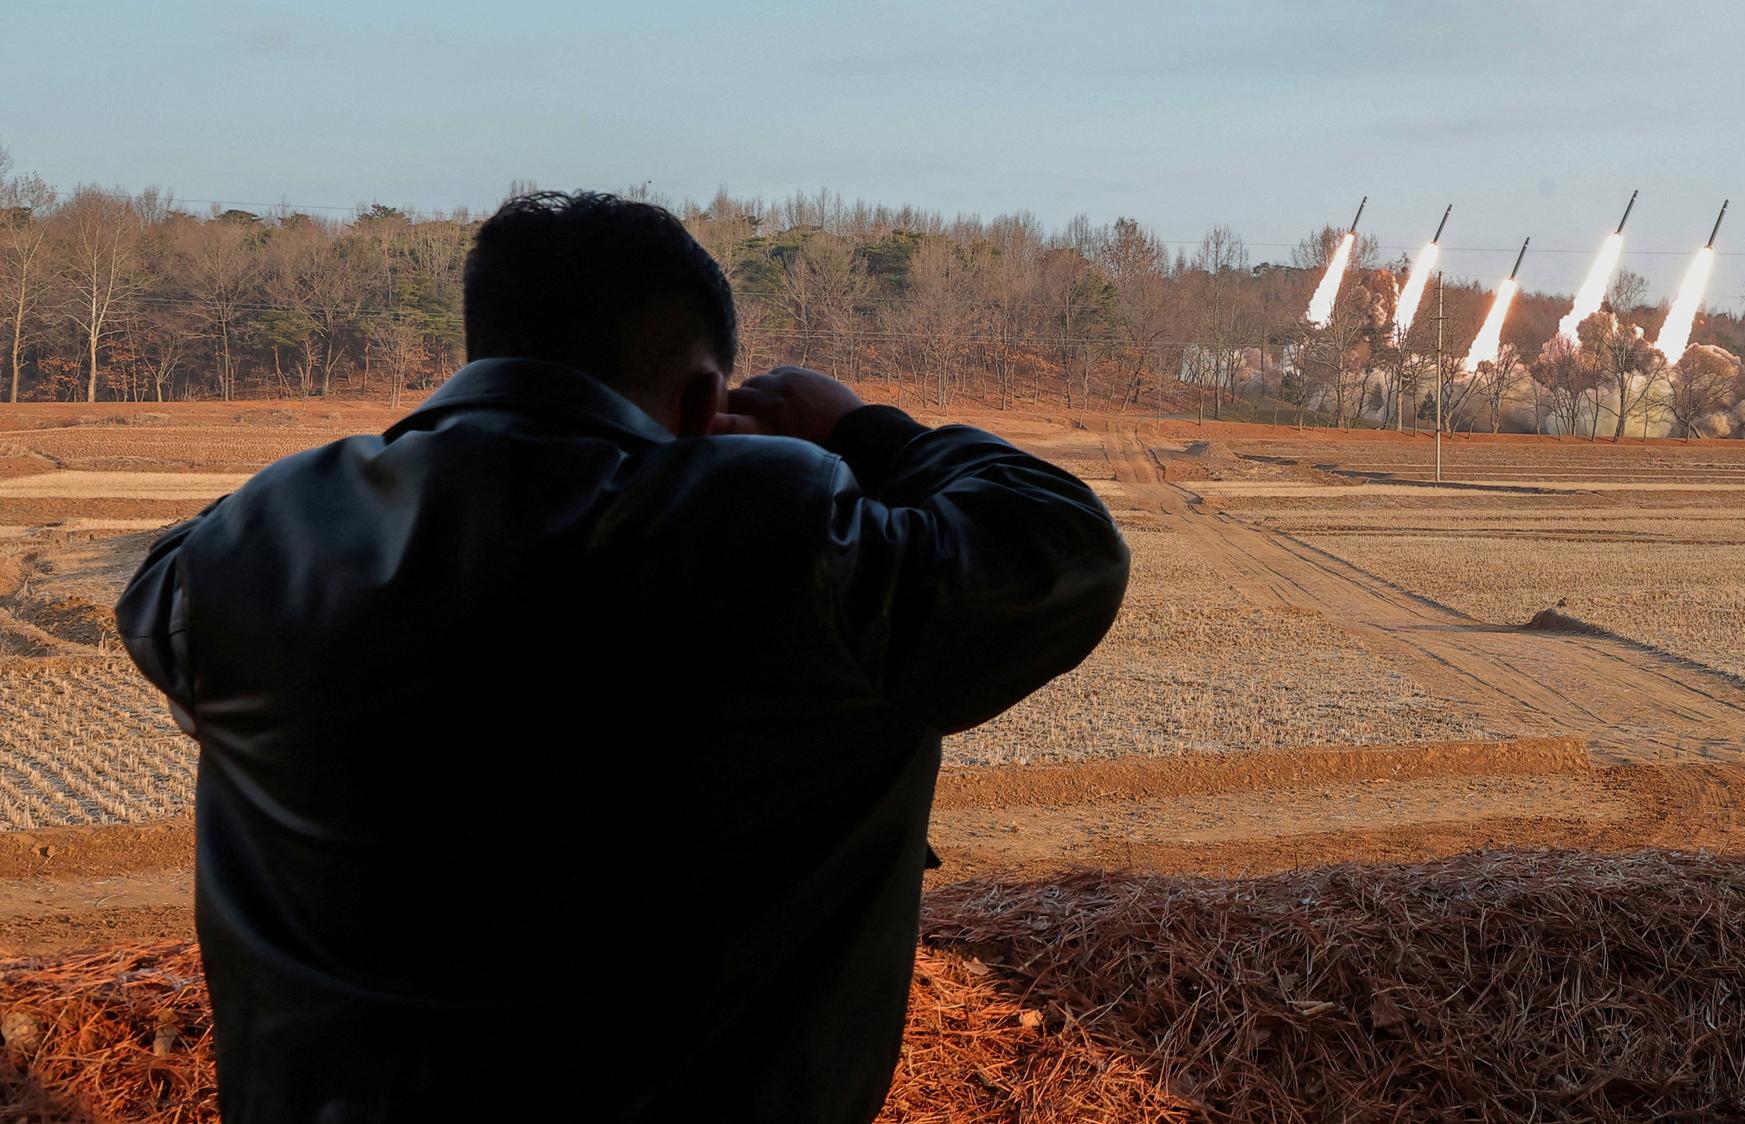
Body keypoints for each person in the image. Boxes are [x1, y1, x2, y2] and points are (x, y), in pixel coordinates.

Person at [115, 191, 1130, 1122]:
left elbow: (166, 581)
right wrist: (867, 430)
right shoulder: (777, 540)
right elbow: (1060, 548)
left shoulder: (250, 549)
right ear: (699, 400)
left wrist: (436, 441)